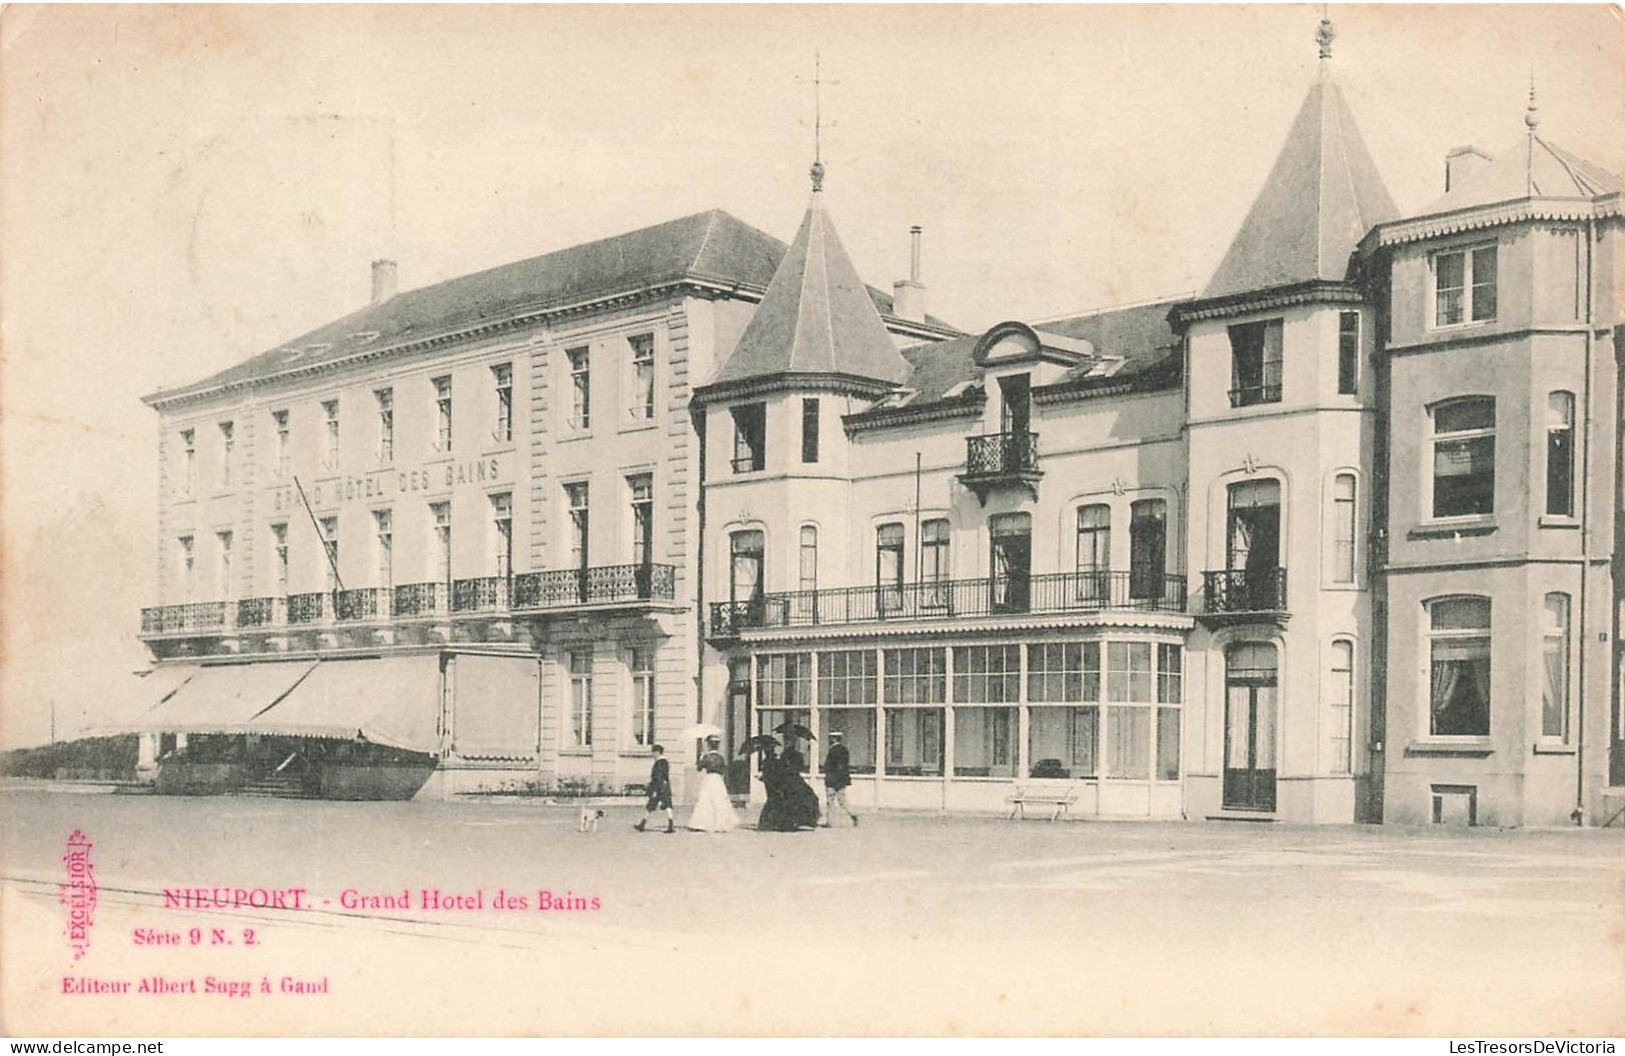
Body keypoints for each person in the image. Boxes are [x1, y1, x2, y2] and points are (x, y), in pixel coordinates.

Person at [758, 739, 821, 832]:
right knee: (785, 801)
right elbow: (776, 773)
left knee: (779, 801)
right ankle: (784, 823)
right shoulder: (773, 760)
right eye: (771, 749)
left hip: (779, 784)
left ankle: (773, 822)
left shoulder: (775, 759)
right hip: (779, 784)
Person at [686, 735, 740, 833]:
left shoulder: (707, 757)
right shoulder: (720, 758)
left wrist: (700, 758)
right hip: (718, 780)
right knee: (719, 800)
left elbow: (699, 768)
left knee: (706, 800)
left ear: (709, 746)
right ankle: (721, 823)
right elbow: (724, 770)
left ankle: (702, 823)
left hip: (709, 779)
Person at [634, 744, 675, 834]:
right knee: (664, 804)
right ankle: (670, 825)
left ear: (657, 752)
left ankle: (643, 824)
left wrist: (653, 786)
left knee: (654, 805)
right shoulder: (664, 762)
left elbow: (658, 776)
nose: (652, 754)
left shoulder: (660, 762)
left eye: (653, 752)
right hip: (664, 786)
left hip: (659, 787)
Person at [821, 730, 859, 827]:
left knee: (830, 801)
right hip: (842, 779)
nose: (829, 740)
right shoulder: (844, 750)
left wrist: (825, 770)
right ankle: (852, 813)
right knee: (842, 800)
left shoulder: (832, 751)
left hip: (832, 779)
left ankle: (830, 822)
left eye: (831, 738)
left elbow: (829, 766)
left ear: (833, 739)